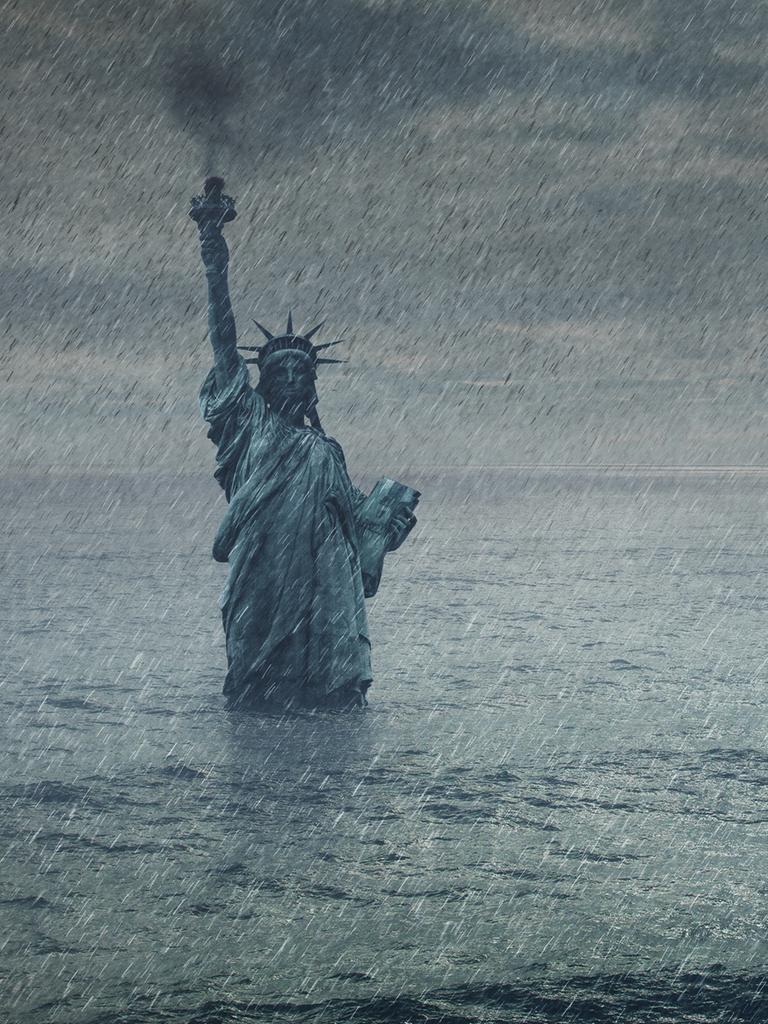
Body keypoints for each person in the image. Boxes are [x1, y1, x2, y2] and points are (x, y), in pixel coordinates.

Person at [191, 178, 415, 709]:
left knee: (328, 706)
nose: (292, 374)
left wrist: (389, 530)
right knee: (255, 700)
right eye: (280, 367)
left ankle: (322, 782)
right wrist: (213, 254)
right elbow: (223, 338)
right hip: (263, 580)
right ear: (262, 380)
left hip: (325, 594)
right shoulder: (246, 424)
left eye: (301, 368)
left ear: (313, 383)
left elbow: (354, 523)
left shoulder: (326, 451)